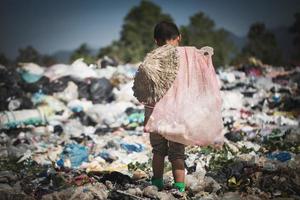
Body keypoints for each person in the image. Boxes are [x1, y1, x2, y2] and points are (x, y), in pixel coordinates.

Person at [132, 21, 186, 193]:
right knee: (177, 153)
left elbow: (143, 86)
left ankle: (157, 184)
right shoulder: (185, 57)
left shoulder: (151, 60)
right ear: (179, 37)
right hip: (176, 113)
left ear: (156, 41)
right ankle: (180, 189)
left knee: (158, 151)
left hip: (154, 113)